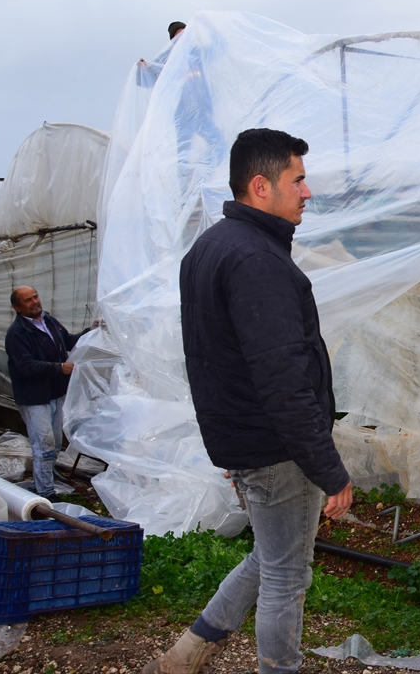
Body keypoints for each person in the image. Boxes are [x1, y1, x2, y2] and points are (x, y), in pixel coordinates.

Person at [146, 129, 353, 674]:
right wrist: (330, 470)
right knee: (288, 573)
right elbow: (281, 378)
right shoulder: (257, 260)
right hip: (275, 446)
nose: (307, 192)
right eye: (298, 179)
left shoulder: (211, 247)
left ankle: (188, 652)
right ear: (261, 186)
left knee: (270, 556)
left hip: (244, 437)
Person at [3, 287, 94, 499]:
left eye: (35, 297)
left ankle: (42, 483)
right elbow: (26, 366)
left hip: (54, 394)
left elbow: (68, 341)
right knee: (44, 444)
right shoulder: (17, 333)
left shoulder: (48, 321)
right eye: (27, 300)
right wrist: (59, 368)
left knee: (54, 444)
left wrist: (92, 330)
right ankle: (45, 493)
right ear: (17, 307)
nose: (34, 302)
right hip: (34, 398)